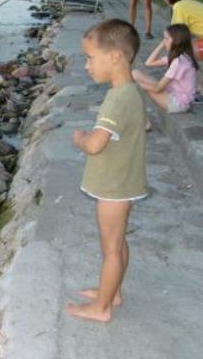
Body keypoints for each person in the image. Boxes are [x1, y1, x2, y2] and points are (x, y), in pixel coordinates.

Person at [67, 19, 147, 322]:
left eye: (90, 58)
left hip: (114, 187)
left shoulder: (117, 100)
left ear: (114, 57)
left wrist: (81, 139)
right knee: (117, 241)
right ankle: (112, 292)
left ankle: (101, 308)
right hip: (122, 182)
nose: (87, 65)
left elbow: (97, 143)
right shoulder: (129, 92)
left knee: (111, 247)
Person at [133, 24, 198, 114]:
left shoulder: (179, 62)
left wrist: (135, 85)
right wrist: (162, 45)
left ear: (176, 41)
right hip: (172, 93)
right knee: (135, 73)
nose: (164, 41)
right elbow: (149, 63)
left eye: (166, 39)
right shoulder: (179, 55)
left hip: (178, 103)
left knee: (134, 87)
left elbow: (158, 89)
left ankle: (144, 121)